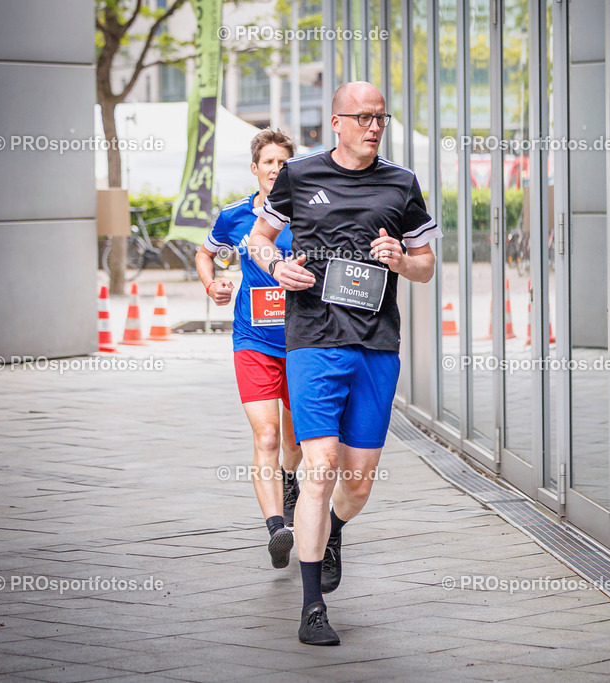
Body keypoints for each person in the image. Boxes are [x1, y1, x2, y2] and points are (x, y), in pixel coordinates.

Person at [249, 81, 439, 646]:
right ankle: (312, 608)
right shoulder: (300, 175)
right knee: (321, 465)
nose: (373, 125)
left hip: (377, 345)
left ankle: (332, 531)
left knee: (355, 485)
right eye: (361, 117)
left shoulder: (402, 184)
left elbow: (428, 265)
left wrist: (404, 260)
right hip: (312, 340)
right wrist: (277, 265)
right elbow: (258, 240)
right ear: (336, 122)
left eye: (380, 116)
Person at [195, 129, 303, 570]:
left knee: (296, 441)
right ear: (255, 168)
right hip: (253, 340)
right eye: (269, 162)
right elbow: (207, 254)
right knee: (267, 435)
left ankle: (290, 480)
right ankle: (277, 526)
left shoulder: (310, 212)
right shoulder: (235, 216)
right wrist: (212, 284)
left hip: (302, 342)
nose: (276, 169)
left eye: (283, 163)